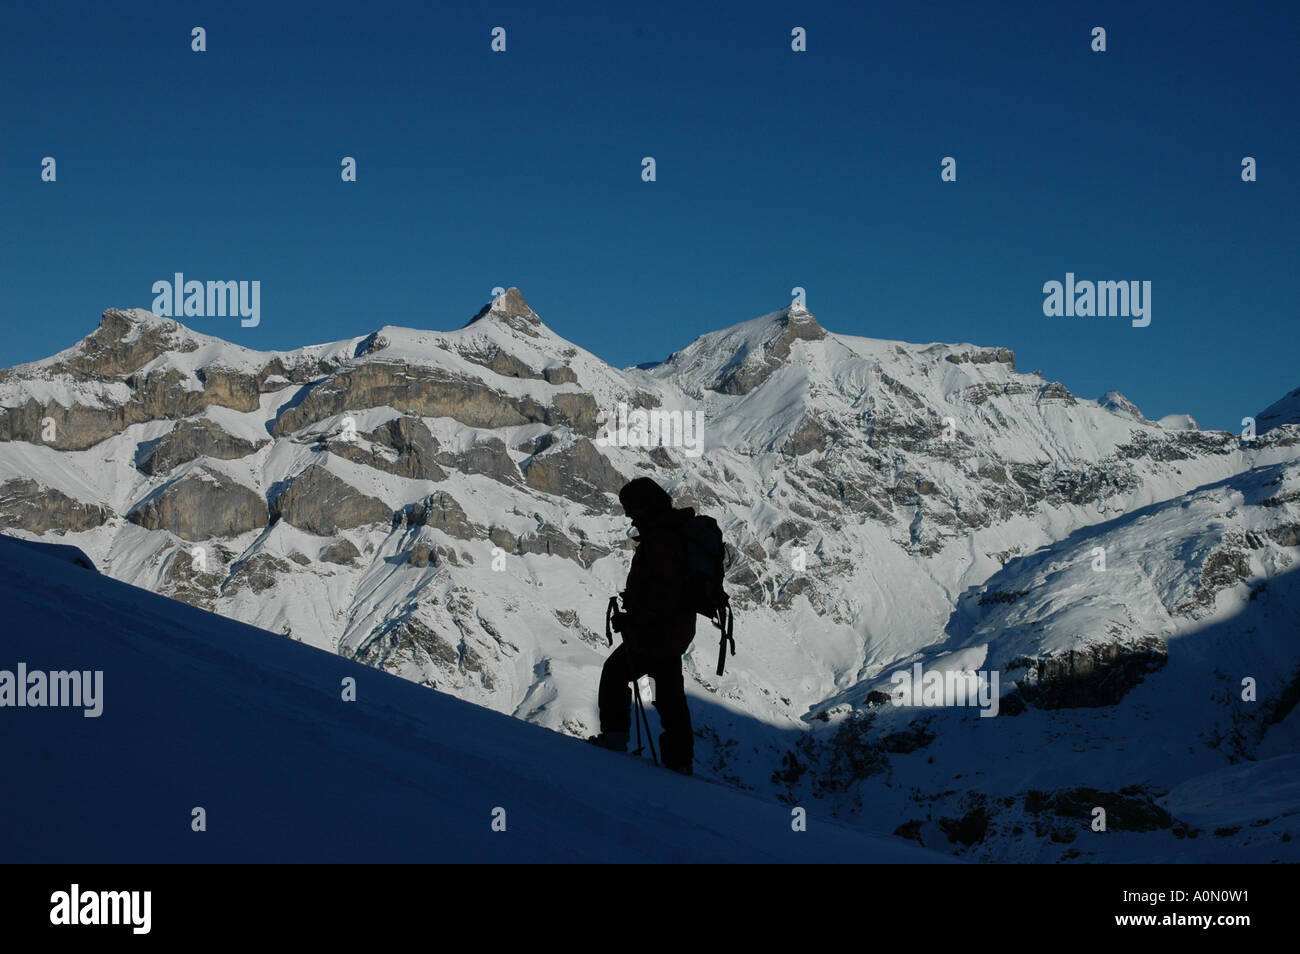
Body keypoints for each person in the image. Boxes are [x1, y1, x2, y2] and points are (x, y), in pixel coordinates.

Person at [590, 477, 697, 775]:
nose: (629, 516)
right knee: (669, 692)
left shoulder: (660, 539)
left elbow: (661, 593)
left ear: (644, 506)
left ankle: (615, 739)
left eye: (631, 509)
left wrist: (632, 618)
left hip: (656, 630)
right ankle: (679, 760)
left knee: (615, 673)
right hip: (673, 628)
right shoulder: (670, 531)